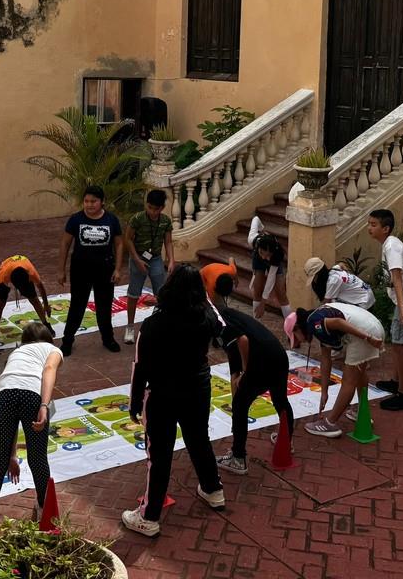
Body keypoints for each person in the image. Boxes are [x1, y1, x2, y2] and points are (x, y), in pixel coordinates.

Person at [122, 266, 226, 537]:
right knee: (198, 439)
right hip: (198, 388)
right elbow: (220, 325)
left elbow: (140, 367)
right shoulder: (205, 315)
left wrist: (134, 403)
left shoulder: (154, 324)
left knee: (159, 456)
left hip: (163, 395)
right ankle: (213, 490)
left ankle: (150, 516)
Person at [0, 322, 61, 528]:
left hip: (5, 395)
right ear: (48, 338)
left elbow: (15, 387)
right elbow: (49, 368)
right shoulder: (53, 349)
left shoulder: (17, 352)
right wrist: (44, 405)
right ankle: (45, 510)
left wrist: (11, 455)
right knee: (38, 457)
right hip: (33, 396)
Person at [211, 275, 293, 476]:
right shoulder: (226, 314)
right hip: (277, 355)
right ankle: (286, 440)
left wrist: (245, 373)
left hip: (261, 362)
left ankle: (238, 458)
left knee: (239, 406)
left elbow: (243, 341)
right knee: (280, 399)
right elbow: (233, 351)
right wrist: (236, 375)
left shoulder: (217, 322)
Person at [288, 302, 385, 438]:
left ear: (297, 328)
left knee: (348, 381)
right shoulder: (316, 319)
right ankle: (360, 411)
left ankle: (330, 423)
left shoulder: (314, 322)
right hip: (371, 325)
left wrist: (367, 337)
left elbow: (339, 322)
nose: (300, 342)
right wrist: (324, 392)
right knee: (359, 372)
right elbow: (326, 359)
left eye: (295, 337)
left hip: (365, 333)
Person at [367, 209, 403, 411]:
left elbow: (397, 276)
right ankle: (396, 381)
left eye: (374, 225)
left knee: (399, 344)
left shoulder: (391, 246)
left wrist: (401, 306)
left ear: (386, 228)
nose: (370, 228)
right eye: (369, 223)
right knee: (396, 342)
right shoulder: (388, 244)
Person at [58, 185, 124, 355]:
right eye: (86, 201)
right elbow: (65, 244)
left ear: (102, 202)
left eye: (93, 201)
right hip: (81, 269)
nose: (89, 204)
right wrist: (61, 270)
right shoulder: (75, 220)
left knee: (104, 306)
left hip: (105, 269)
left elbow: (119, 244)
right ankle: (67, 340)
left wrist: (117, 269)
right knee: (77, 306)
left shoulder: (112, 220)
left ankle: (108, 338)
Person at [122, 190, 174, 343]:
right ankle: (130, 327)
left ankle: (160, 325)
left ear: (162, 207)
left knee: (161, 294)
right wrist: (137, 260)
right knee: (133, 293)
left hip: (156, 259)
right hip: (138, 257)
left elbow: (168, 242)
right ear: (147, 205)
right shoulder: (137, 219)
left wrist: (171, 260)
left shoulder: (165, 221)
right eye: (150, 207)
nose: (152, 211)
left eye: (156, 209)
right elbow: (128, 239)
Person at [0, 255, 54, 338]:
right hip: (7, 268)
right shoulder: (3, 274)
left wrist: (46, 305)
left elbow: (41, 287)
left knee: (34, 299)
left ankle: (46, 324)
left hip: (22, 267)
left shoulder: (31, 272)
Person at [247, 224, 291, 321]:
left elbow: (271, 279)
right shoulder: (252, 239)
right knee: (257, 290)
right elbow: (255, 219)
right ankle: (256, 325)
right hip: (257, 261)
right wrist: (262, 227)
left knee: (281, 293)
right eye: (262, 253)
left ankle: (291, 325)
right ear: (258, 248)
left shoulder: (277, 254)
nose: (264, 257)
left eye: (267, 255)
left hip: (274, 262)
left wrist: (263, 303)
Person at [304, 257, 374, 310]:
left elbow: (326, 303)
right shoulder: (334, 270)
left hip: (364, 301)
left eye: (314, 277)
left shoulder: (333, 281)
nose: (314, 281)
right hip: (367, 294)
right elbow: (341, 265)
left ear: (320, 273)